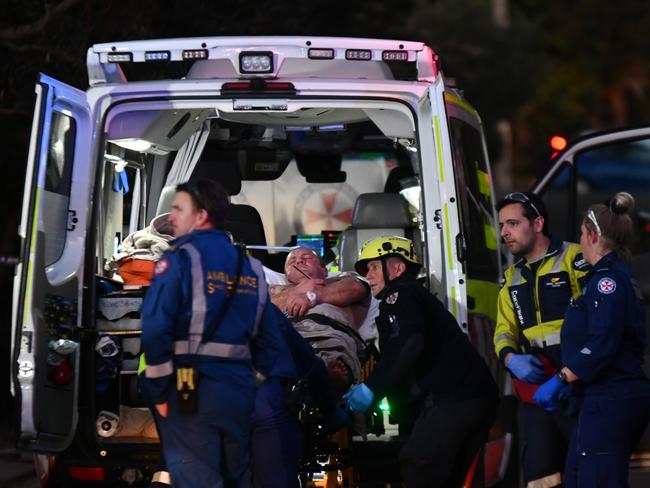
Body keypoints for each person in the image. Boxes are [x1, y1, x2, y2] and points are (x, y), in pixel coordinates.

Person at [140, 179, 289, 488]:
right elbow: (270, 345)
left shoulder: (177, 262)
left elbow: (156, 334)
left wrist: (159, 393)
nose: (173, 217)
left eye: (179, 209)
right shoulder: (250, 268)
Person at [345, 236, 498, 488]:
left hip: (454, 399)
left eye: (373, 267)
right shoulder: (416, 296)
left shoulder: (399, 294)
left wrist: (372, 387)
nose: (368, 276)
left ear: (398, 268)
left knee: (419, 463)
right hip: (474, 398)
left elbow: (407, 344)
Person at [533, 192, 650, 487]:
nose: (580, 241)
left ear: (595, 236)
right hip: (602, 397)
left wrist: (562, 377)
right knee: (578, 475)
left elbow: (602, 341)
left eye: (583, 234)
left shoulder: (607, 281)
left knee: (597, 480)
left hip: (610, 397)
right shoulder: (609, 277)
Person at [494, 191, 590, 487]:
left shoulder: (575, 258)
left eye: (512, 223)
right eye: (501, 225)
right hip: (537, 378)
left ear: (537, 223)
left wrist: (572, 371)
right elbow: (503, 330)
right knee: (540, 472)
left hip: (579, 377)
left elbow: (597, 321)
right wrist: (511, 358)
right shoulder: (512, 277)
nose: (504, 232)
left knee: (586, 466)